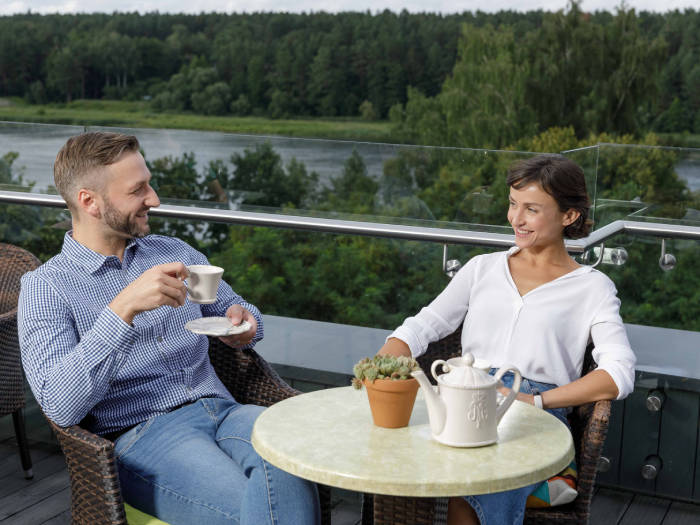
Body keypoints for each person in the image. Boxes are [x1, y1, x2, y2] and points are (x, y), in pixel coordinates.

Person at [18, 132, 320, 525]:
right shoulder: (47, 288)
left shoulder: (173, 252)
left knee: (293, 463)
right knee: (258, 506)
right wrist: (122, 309)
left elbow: (240, 310)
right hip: (145, 434)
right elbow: (59, 404)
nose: (154, 199)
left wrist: (244, 325)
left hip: (227, 410)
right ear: (89, 201)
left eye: (150, 183)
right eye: (138, 189)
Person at [378, 155, 636, 525]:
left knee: (473, 472)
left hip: (534, 413)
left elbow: (618, 374)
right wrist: (386, 360)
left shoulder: (592, 288)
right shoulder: (482, 268)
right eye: (513, 205)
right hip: (463, 395)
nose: (516, 219)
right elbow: (423, 326)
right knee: (424, 453)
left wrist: (536, 401)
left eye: (531, 209)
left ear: (569, 216)